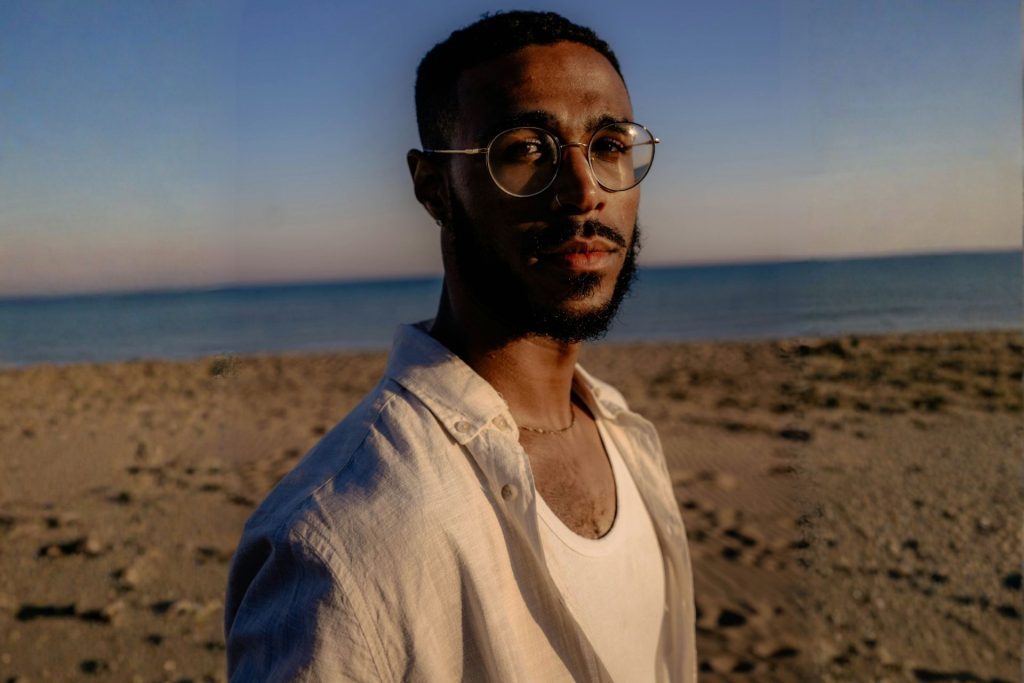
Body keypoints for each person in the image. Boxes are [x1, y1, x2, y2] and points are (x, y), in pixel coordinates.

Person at [225, 10, 696, 682]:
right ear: (433, 187)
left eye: (609, 145)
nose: (584, 191)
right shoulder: (341, 539)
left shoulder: (629, 438)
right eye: (526, 149)